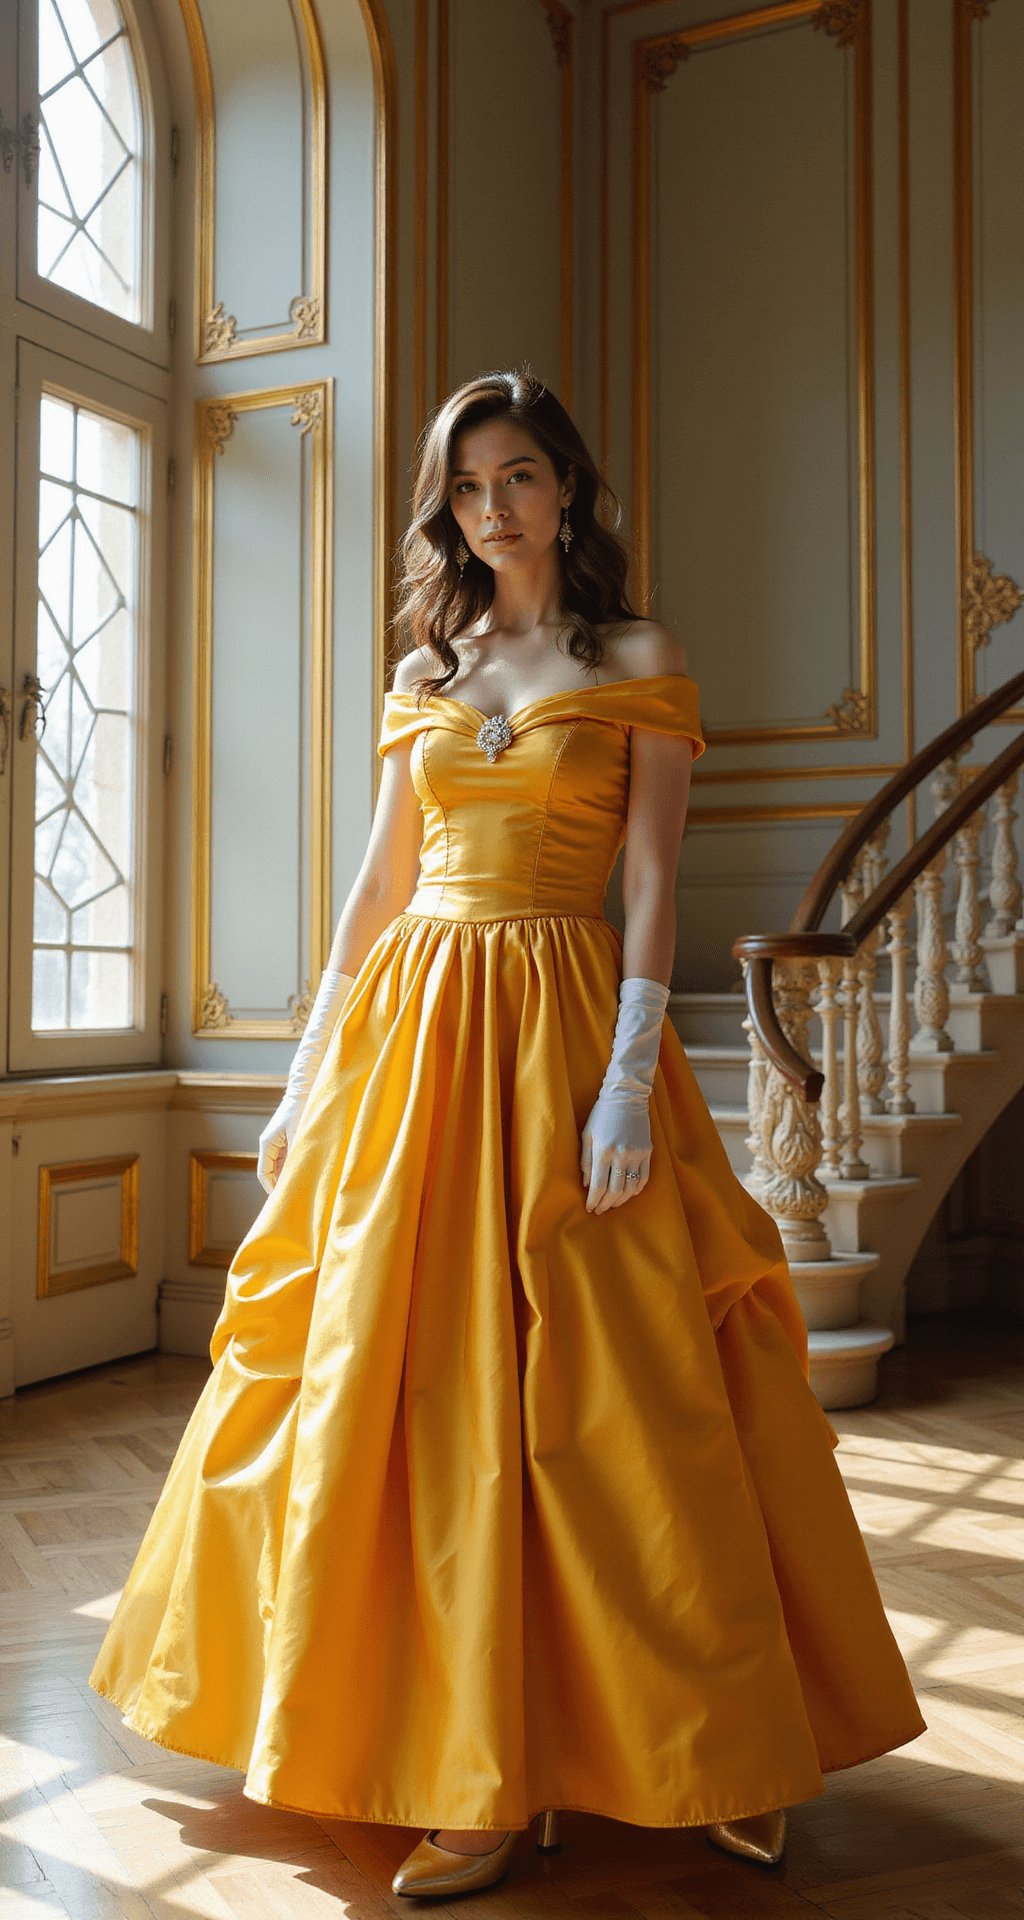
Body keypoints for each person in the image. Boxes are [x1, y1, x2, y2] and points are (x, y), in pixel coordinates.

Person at [90, 370, 924, 1902]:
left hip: (565, 1026)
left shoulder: (639, 657)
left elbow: (654, 883)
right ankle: (462, 1773)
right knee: (402, 1383)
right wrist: (306, 1077)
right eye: (468, 486)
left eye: (520, 476)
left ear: (569, 488)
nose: (495, 508)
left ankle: (721, 1746)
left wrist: (628, 1080)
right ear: (448, 508)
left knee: (630, 1401)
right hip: (415, 1040)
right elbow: (377, 887)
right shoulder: (429, 663)